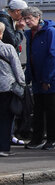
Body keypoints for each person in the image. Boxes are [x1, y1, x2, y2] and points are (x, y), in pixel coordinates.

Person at [23, 7, 55, 151]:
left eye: (29, 18)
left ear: (38, 17)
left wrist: (47, 79)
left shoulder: (50, 32)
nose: (26, 21)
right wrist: (29, 75)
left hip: (52, 79)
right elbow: (31, 56)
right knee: (38, 109)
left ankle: (52, 139)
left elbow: (54, 56)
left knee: (51, 110)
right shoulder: (30, 34)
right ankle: (37, 138)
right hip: (38, 77)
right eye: (25, 19)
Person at [0, 21, 24, 157]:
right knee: (5, 118)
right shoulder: (8, 48)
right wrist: (22, 84)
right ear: (1, 34)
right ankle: (3, 147)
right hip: (6, 87)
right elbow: (17, 69)